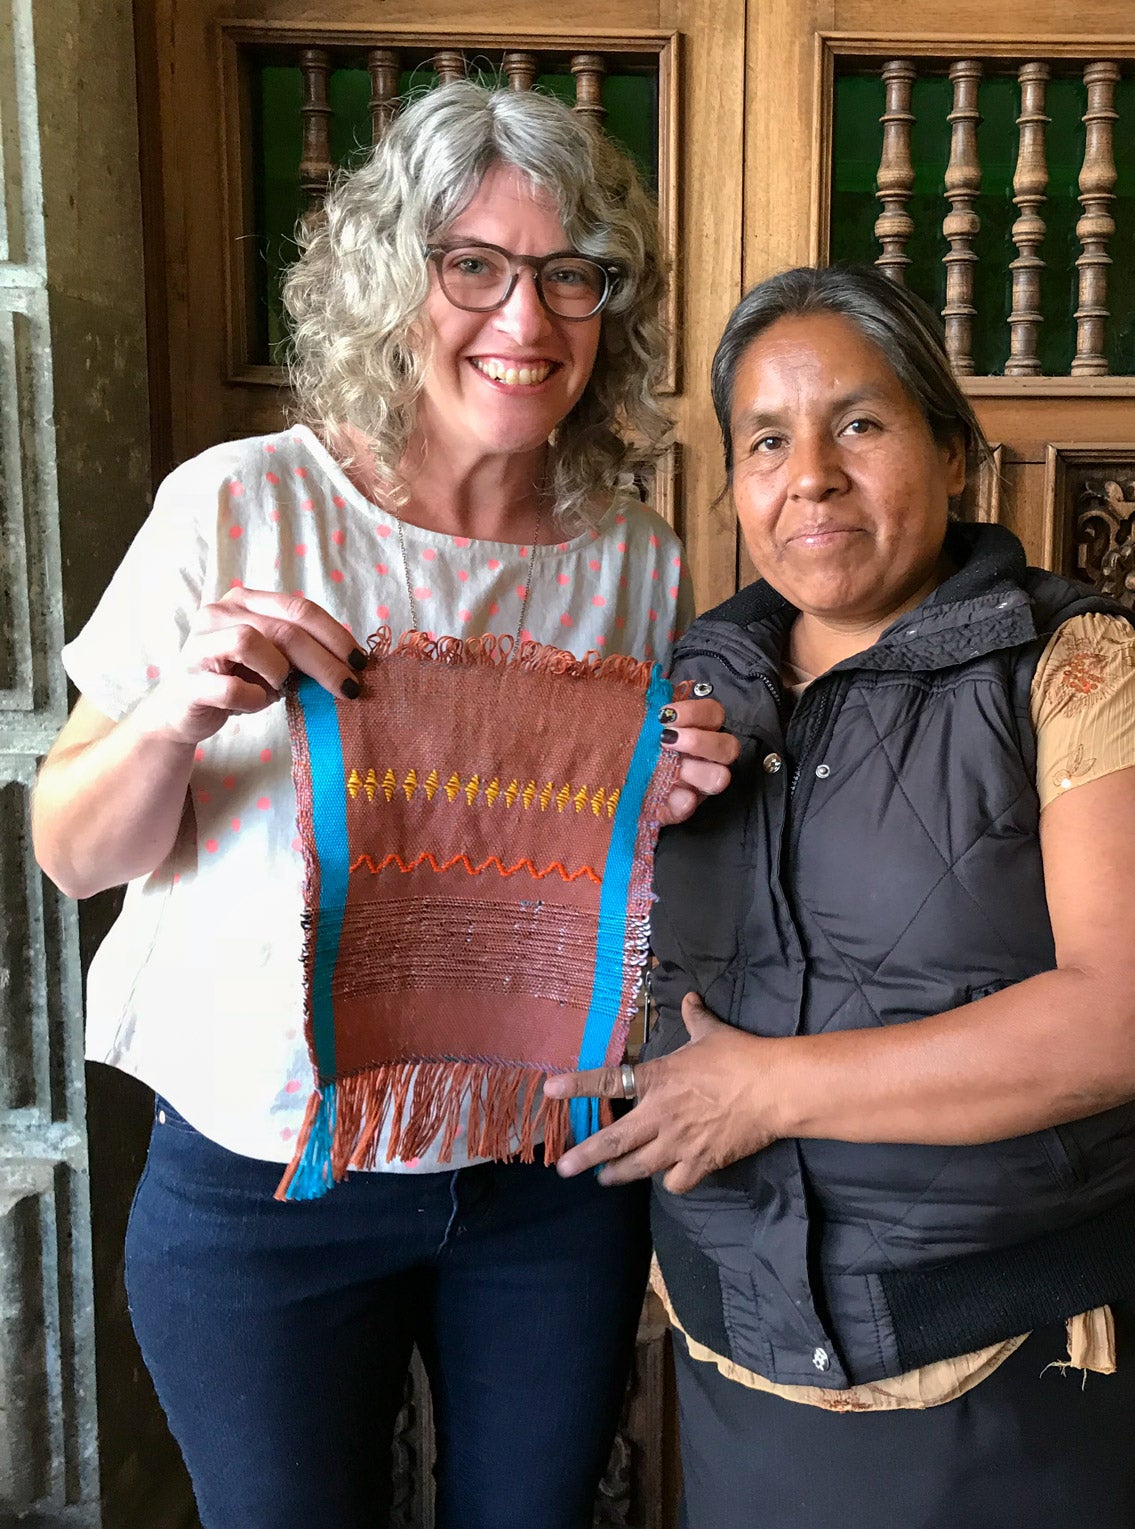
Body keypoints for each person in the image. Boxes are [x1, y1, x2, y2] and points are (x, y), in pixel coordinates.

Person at [30, 81, 735, 1529]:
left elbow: (606, 866)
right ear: (387, 277)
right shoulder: (237, 506)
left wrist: (666, 796)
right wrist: (178, 710)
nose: (524, 323)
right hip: (262, 1183)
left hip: (544, 1176)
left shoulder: (633, 561)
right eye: (471, 266)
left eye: (570, 277)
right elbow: (68, 850)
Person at [546, 264, 1135, 1529]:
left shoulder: (1076, 670)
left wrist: (765, 1089)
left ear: (957, 454)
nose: (807, 472)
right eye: (766, 439)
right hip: (737, 1354)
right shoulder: (687, 685)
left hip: (1004, 1372)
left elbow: (1134, 1020)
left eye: (857, 423)